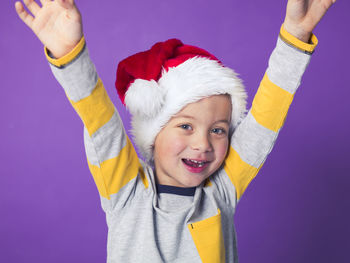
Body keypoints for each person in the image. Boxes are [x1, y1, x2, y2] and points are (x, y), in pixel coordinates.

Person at [15, 0, 336, 262]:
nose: (203, 144)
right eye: (185, 126)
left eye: (219, 130)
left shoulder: (221, 191)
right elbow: (100, 122)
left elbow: (266, 119)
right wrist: (71, 55)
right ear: (154, 134)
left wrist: (295, 35)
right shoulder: (125, 191)